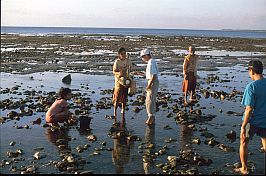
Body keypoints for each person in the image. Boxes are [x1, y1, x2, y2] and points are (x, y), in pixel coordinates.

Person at [234, 60, 266, 175]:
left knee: (243, 143)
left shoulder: (251, 87)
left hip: (252, 121)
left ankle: (244, 168)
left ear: (251, 71)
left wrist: (243, 126)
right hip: (265, 120)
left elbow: (249, 109)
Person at [112, 47, 134, 121]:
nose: (124, 55)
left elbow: (131, 70)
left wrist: (132, 73)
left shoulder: (128, 61)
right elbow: (114, 72)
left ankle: (123, 110)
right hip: (118, 81)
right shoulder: (117, 62)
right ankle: (115, 112)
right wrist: (119, 73)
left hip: (126, 80)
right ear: (119, 55)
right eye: (122, 54)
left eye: (125, 53)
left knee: (125, 96)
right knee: (117, 96)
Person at [140, 49, 159, 125]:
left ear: (147, 55)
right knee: (152, 99)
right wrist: (140, 73)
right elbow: (149, 74)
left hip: (152, 82)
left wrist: (148, 85)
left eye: (143, 57)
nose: (142, 59)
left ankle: (150, 116)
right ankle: (152, 116)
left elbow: (153, 75)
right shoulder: (152, 62)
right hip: (153, 81)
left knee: (149, 100)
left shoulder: (151, 62)